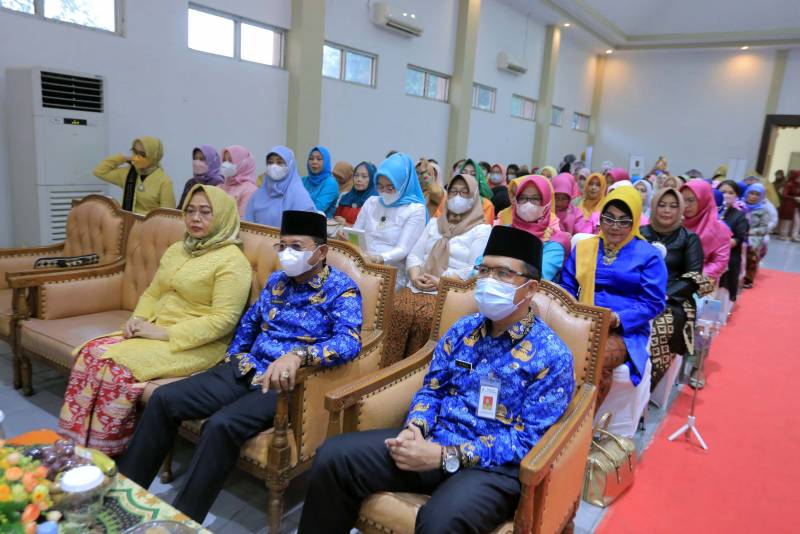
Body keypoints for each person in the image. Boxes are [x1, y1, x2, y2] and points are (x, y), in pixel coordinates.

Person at [298, 226, 574, 534]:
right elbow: (432, 389)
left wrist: (446, 457)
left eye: (503, 274)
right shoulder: (463, 330)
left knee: (440, 521)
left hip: (492, 468)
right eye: (484, 270)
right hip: (434, 439)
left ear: (531, 288)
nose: (488, 280)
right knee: (334, 457)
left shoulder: (552, 356)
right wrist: (415, 428)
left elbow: (528, 441)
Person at [118, 210, 363, 523]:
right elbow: (249, 324)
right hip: (245, 368)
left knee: (221, 424)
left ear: (321, 251)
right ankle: (123, 499)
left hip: (283, 384)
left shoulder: (341, 289)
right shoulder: (277, 282)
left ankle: (182, 521)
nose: (287, 254)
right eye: (283, 246)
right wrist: (232, 358)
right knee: (164, 399)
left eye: (297, 247)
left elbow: (349, 341)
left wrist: (299, 356)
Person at [58, 185, 252, 455]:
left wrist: (163, 333)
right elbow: (153, 292)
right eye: (190, 211)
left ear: (222, 216)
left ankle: (107, 451)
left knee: (116, 368)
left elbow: (223, 320)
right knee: (90, 354)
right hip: (154, 329)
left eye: (205, 212)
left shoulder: (232, 262)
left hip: (196, 344)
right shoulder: (178, 249)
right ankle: (73, 446)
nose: (195, 218)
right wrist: (137, 318)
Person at [561, 187, 667, 405]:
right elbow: (567, 287)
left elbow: (653, 303)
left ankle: (581, 420)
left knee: (593, 357)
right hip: (582, 322)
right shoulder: (584, 247)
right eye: (609, 218)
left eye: (624, 221)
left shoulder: (649, 256)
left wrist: (618, 318)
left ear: (635, 222)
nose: (615, 226)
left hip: (625, 331)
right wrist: (572, 315)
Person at [383, 173, 491, 365]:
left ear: (474, 197)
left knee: (427, 318)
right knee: (397, 309)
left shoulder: (481, 230)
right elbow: (415, 254)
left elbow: (475, 268)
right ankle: (390, 368)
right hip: (419, 284)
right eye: (453, 192)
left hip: (450, 290)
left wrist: (442, 281)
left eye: (464, 193)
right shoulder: (435, 223)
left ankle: (420, 369)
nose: (457, 197)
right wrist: (415, 276)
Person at [641, 188, 709, 387]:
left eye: (673, 206)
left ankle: (646, 388)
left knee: (660, 329)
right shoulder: (641, 233)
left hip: (673, 299)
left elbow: (693, 277)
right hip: (638, 292)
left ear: (680, 210)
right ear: (653, 207)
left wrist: (665, 296)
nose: (666, 210)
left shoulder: (689, 238)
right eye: (662, 205)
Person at [352, 153, 428, 289]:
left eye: (390, 187)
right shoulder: (372, 202)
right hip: (361, 265)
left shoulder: (415, 209)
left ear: (403, 184)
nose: (384, 192)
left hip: (390, 274)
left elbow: (403, 249)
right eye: (380, 186)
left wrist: (379, 258)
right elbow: (356, 233)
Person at [496, 176, 571, 281]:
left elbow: (537, 276)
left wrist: (497, 271)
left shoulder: (555, 241)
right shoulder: (502, 231)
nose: (528, 203)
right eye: (522, 198)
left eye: (535, 199)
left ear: (547, 202)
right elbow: (479, 267)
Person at [94, 136, 175, 214]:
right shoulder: (128, 173)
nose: (137, 157)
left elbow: (168, 215)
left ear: (153, 157)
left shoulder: (164, 182)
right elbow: (99, 171)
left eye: (142, 154)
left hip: (149, 223)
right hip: (126, 221)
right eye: (135, 152)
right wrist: (123, 158)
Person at [244, 146, 316, 228]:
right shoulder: (257, 195)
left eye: (279, 162)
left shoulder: (299, 196)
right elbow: (247, 225)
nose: (274, 166)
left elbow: (306, 229)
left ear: (290, 165)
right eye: (270, 162)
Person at [680, 179, 732, 282]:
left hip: (701, 280)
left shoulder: (719, 229)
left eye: (691, 200)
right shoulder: (675, 221)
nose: (685, 205)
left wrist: (694, 276)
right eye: (682, 200)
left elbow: (719, 262)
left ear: (704, 200)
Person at [717, 180, 749, 302]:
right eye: (723, 192)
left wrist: (722, 243)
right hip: (706, 255)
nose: (726, 195)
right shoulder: (709, 211)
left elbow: (739, 238)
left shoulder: (739, 216)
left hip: (728, 255)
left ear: (736, 196)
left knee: (723, 290)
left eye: (731, 193)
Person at [742, 183, 770, 288]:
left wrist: (751, 232)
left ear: (761, 196)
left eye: (757, 194)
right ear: (747, 193)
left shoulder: (763, 210)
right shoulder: (740, 206)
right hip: (739, 233)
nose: (753, 196)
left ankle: (748, 279)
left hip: (754, 236)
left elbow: (764, 228)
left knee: (752, 252)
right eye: (751, 193)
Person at [220, 145, 258, 217]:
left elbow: (242, 220)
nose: (225, 164)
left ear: (243, 164)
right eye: (224, 160)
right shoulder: (220, 187)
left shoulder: (250, 190)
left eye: (230, 160)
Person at [334, 161, 377, 225]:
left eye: (364, 176)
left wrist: (346, 225)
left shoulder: (375, 202)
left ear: (372, 179)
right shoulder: (346, 197)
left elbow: (371, 228)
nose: (359, 179)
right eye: (356, 175)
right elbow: (335, 218)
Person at [302, 146, 340, 218]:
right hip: (298, 219)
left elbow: (318, 208)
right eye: (311, 158)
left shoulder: (331, 183)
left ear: (326, 162)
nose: (314, 162)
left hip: (320, 223)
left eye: (319, 159)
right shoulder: (303, 180)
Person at [455, 158, 496, 223]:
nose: (467, 176)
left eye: (473, 174)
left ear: (478, 178)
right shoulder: (451, 200)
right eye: (464, 173)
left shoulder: (486, 205)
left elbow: (485, 227)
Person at [778, 170, 800, 241]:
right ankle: (783, 235)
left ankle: (794, 236)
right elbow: (784, 195)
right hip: (788, 205)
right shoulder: (789, 184)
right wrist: (794, 198)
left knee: (797, 222)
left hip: (796, 207)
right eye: (798, 177)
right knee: (786, 221)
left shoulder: (798, 185)